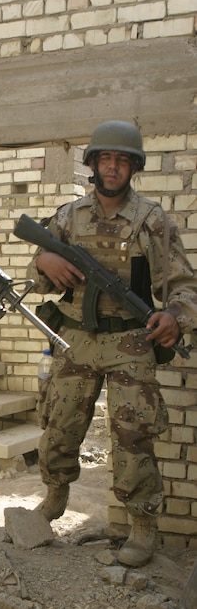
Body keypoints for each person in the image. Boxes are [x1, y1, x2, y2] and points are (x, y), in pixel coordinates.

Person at [26, 119, 197, 568]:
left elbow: (183, 286)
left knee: (133, 435)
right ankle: (54, 498)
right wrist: (44, 259)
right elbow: (35, 275)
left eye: (122, 160)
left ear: (133, 167)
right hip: (75, 339)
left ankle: (141, 524)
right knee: (59, 425)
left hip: (130, 341)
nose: (113, 167)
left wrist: (175, 317)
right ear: (93, 164)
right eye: (105, 158)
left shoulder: (151, 221)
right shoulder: (68, 216)